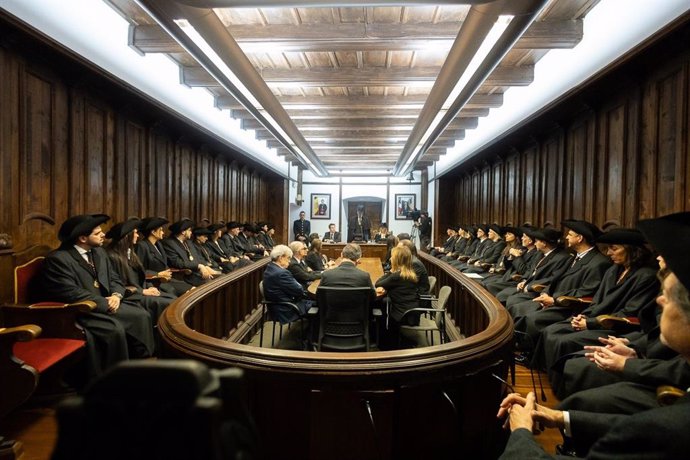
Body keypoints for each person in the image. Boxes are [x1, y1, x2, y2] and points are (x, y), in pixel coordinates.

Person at [496, 212, 690, 459]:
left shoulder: (663, 432)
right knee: (559, 338)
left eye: (669, 297)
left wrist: (521, 432)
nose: (660, 300)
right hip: (601, 322)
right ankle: (559, 404)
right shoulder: (611, 271)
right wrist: (557, 417)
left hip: (615, 327)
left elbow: (635, 316)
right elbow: (599, 300)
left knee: (571, 351)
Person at [36, 214, 155, 382]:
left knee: (142, 314)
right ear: (83, 238)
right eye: (97, 233)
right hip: (79, 310)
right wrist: (104, 302)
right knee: (114, 329)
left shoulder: (98, 252)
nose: (103, 235)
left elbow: (114, 279)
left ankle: (139, 366)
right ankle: (112, 380)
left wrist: (116, 294)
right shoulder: (58, 259)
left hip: (108, 302)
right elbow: (68, 292)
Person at [105, 218, 176, 326]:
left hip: (141, 291)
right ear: (126, 236)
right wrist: (142, 291)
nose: (138, 236)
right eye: (135, 233)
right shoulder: (112, 256)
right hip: (130, 296)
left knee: (173, 299)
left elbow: (141, 275)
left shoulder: (130, 253)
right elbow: (117, 284)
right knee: (168, 303)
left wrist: (149, 287)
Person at [135, 216, 193, 297]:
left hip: (167, 280)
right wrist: (158, 274)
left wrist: (167, 273)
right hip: (154, 283)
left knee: (192, 289)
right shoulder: (142, 246)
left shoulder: (158, 244)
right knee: (182, 295)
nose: (163, 233)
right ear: (153, 232)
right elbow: (139, 271)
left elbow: (164, 264)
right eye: (161, 230)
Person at [263, 245, 309, 324]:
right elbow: (299, 290)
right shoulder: (282, 273)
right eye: (288, 258)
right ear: (281, 258)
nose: (290, 261)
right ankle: (311, 334)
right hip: (287, 309)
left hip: (277, 307)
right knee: (319, 304)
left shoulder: (270, 268)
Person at [161, 218, 216, 286]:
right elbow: (177, 263)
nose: (191, 232)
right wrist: (199, 266)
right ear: (183, 232)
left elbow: (197, 257)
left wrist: (205, 266)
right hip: (184, 275)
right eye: (189, 230)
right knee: (211, 283)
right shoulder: (169, 243)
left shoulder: (188, 242)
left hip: (196, 272)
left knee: (219, 278)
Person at [376, 246, 419, 327]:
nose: (390, 259)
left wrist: (391, 271)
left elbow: (378, 283)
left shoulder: (396, 276)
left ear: (396, 260)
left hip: (403, 316)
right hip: (413, 315)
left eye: (392, 257)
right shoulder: (410, 274)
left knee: (379, 303)